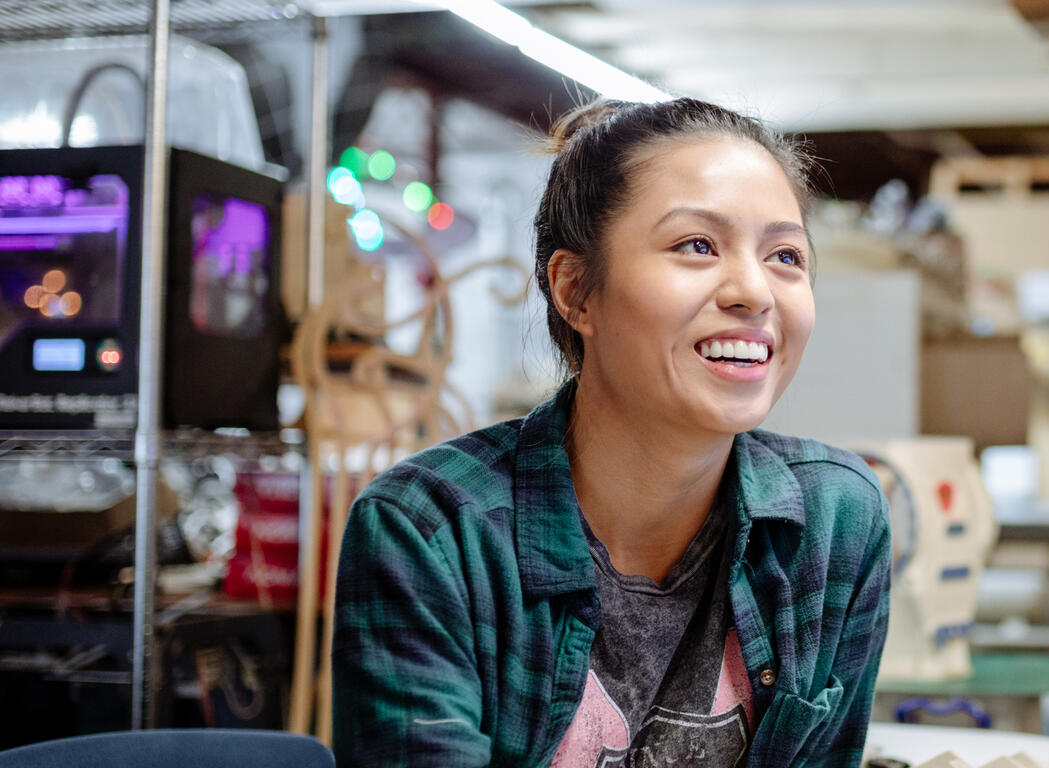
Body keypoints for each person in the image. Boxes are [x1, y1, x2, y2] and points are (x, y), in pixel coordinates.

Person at [332, 97, 892, 767]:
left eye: (785, 256)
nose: (755, 291)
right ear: (576, 292)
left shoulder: (835, 524)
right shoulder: (430, 534)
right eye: (697, 245)